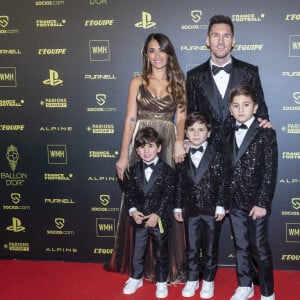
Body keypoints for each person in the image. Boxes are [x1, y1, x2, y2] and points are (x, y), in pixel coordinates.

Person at [105, 32, 187, 283]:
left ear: (169, 53)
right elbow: (130, 119)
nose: (157, 55)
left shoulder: (179, 82)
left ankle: (167, 267)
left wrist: (179, 142)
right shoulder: (137, 82)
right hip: (140, 143)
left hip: (167, 139)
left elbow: (181, 117)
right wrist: (122, 155)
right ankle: (138, 267)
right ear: (146, 54)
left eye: (161, 50)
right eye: (152, 50)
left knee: (165, 198)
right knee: (139, 198)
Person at [186, 14, 271, 152]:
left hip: (243, 153)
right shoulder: (193, 76)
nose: (221, 42)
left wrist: (265, 125)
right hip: (208, 155)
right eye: (215, 36)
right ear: (207, 40)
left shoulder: (250, 72)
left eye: (226, 36)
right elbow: (191, 114)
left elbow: (260, 109)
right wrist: (185, 139)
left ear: (233, 41)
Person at [224, 84, 278, 300]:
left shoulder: (266, 132)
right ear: (230, 109)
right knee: (241, 246)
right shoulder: (226, 131)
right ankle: (245, 285)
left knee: (259, 248)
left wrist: (263, 203)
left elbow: (270, 171)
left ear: (255, 107)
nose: (240, 110)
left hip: (256, 202)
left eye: (246, 105)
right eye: (235, 106)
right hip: (234, 201)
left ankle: (267, 291)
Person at [174, 112, 226, 299]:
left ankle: (209, 281)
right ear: (185, 132)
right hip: (191, 210)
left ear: (209, 132)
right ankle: (192, 279)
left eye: (201, 130)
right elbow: (179, 183)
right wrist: (178, 206)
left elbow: (223, 182)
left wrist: (221, 205)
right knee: (192, 247)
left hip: (212, 210)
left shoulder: (218, 154)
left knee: (211, 248)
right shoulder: (182, 155)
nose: (196, 134)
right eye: (192, 130)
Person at [122, 127, 176, 298]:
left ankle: (161, 281)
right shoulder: (133, 170)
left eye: (150, 146)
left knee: (161, 251)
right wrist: (133, 211)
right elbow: (129, 194)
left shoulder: (168, 171)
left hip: (158, 219)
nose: (146, 150)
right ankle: (136, 277)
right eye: (142, 147)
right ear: (137, 150)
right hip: (140, 219)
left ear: (159, 147)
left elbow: (168, 196)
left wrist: (157, 214)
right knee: (138, 250)